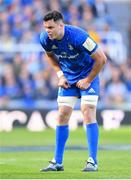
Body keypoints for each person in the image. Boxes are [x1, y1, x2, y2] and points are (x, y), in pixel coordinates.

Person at [40, 10, 107, 172]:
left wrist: (88, 80)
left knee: (87, 110)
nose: (48, 30)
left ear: (61, 25)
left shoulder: (79, 36)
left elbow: (101, 59)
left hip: (87, 75)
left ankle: (92, 161)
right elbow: (50, 56)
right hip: (68, 79)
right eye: (46, 27)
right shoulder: (45, 39)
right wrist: (60, 75)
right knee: (62, 114)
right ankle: (57, 162)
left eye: (51, 27)